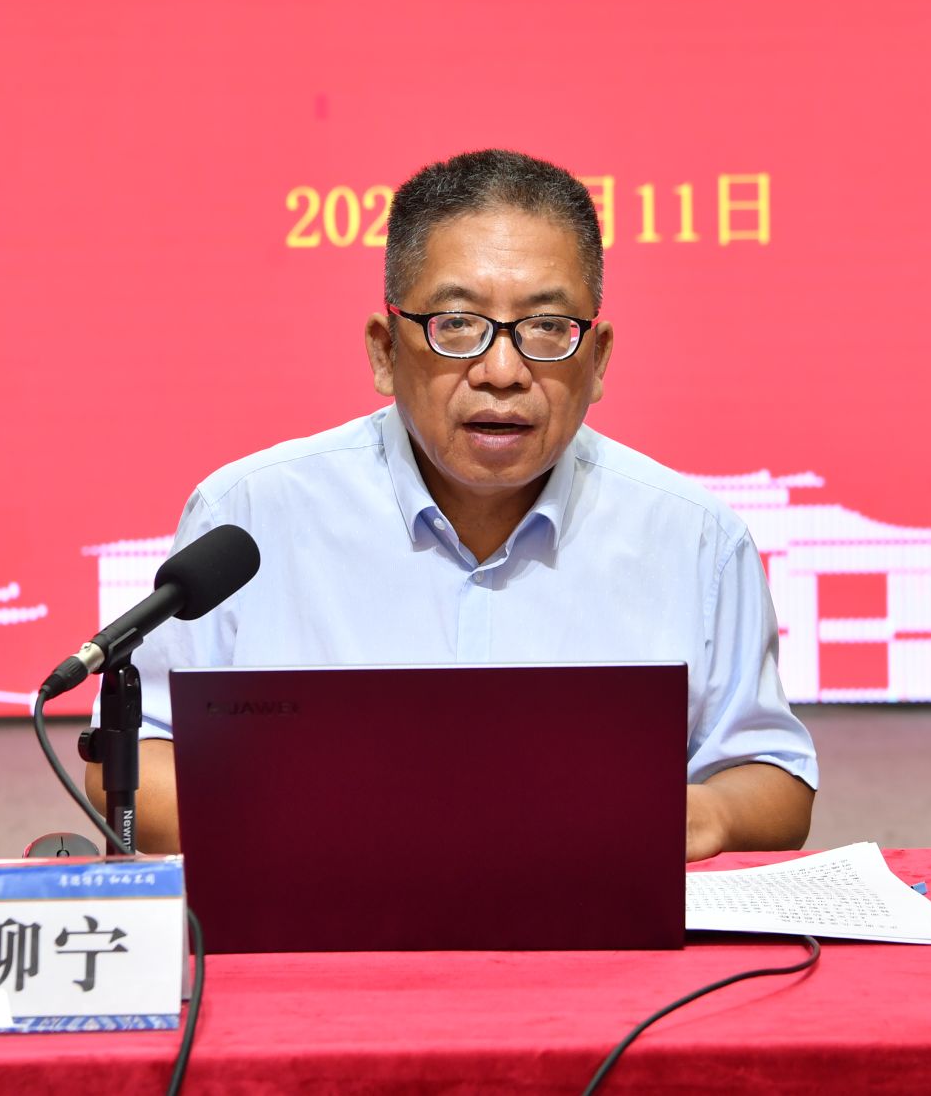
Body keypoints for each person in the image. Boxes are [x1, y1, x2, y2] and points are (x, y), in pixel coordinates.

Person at [88, 149, 816, 861]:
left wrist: (700, 814)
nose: (502, 371)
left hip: (594, 929)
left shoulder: (695, 538)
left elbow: (773, 776)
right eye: (458, 323)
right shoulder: (251, 513)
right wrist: (340, 833)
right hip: (322, 922)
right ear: (384, 350)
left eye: (547, 327)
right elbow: (132, 762)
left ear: (597, 360)